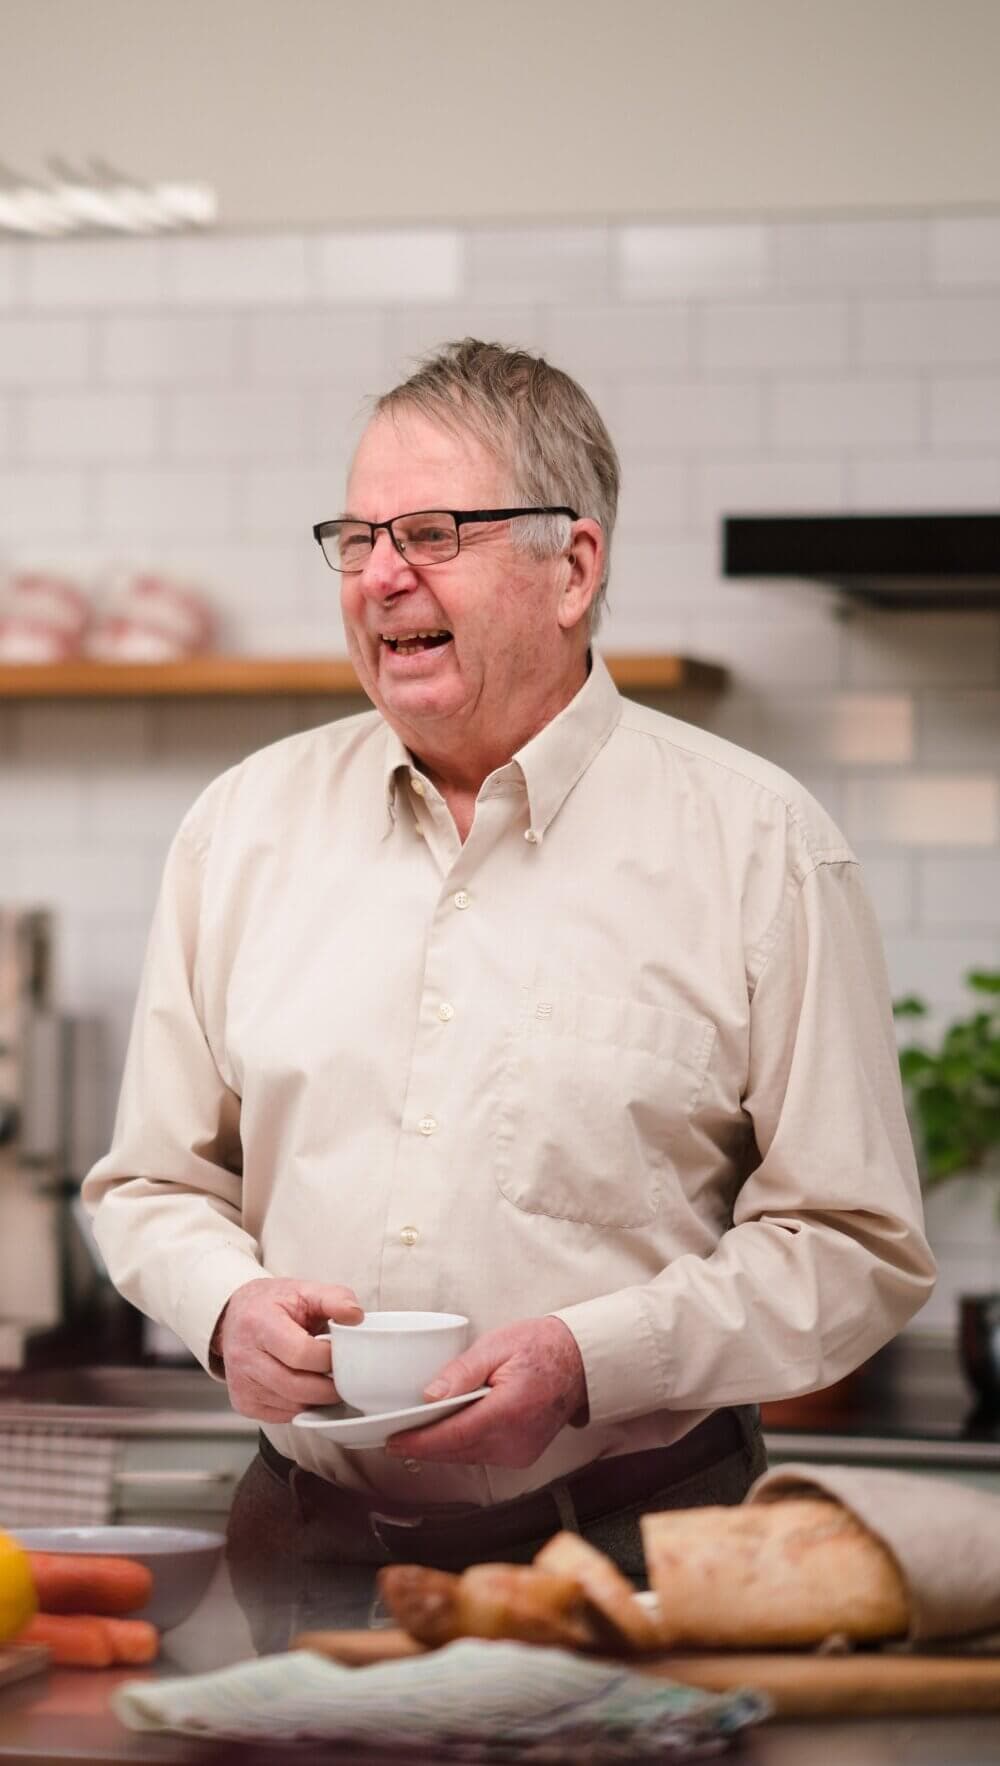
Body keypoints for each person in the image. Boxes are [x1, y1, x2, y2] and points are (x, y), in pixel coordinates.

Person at [83, 339, 935, 1646]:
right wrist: (223, 1305)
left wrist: (591, 1359)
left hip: (639, 1561)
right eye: (357, 536)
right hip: (305, 1558)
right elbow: (149, 1184)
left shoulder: (760, 842)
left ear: (573, 569)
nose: (381, 575)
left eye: (431, 531)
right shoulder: (237, 829)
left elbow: (854, 1241)